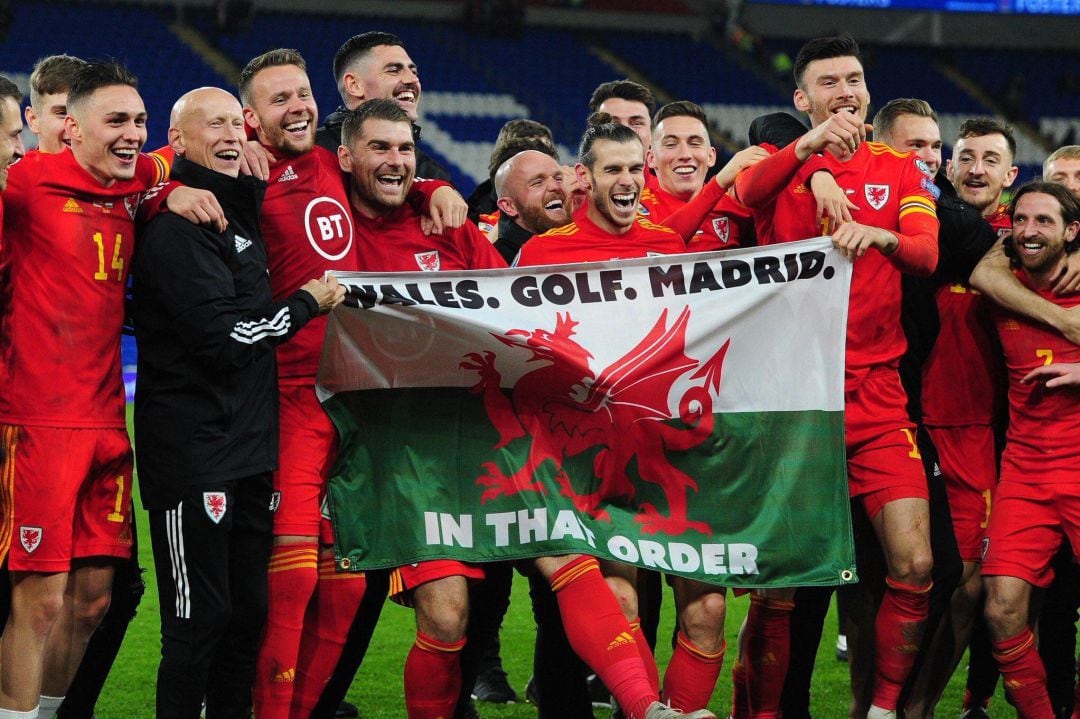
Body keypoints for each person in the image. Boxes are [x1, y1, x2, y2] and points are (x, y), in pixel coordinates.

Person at [239, 48, 463, 719]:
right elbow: (169, 164)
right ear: (251, 116)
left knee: (344, 586)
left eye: (301, 94)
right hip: (289, 396)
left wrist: (436, 187)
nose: (297, 107)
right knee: (295, 577)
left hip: (359, 401)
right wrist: (177, 179)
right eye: (278, 100)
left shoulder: (337, 161)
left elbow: (390, 165)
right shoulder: (246, 172)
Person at [0, 59, 222, 719]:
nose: (133, 133)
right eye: (117, 121)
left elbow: (166, 159)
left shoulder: (137, 180)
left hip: (106, 424)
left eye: (140, 120)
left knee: (95, 598)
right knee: (38, 600)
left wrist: (169, 190)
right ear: (70, 128)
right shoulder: (27, 184)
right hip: (36, 422)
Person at [731, 34, 938, 719]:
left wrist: (880, 237)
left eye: (854, 77)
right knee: (780, 588)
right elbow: (752, 185)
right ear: (803, 99)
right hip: (795, 401)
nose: (845, 89)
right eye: (828, 82)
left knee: (914, 566)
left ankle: (880, 711)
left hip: (878, 398)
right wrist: (812, 157)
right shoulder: (777, 165)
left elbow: (926, 254)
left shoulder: (901, 168)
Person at [132, 86, 344, 719]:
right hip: (194, 453)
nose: (228, 134)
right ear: (180, 143)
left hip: (249, 450)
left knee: (248, 614)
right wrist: (308, 302)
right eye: (211, 125)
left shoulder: (234, 211)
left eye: (234, 122)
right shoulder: (176, 228)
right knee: (200, 617)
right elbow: (229, 339)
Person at [982, 181, 1080, 719]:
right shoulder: (1001, 285)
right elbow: (978, 269)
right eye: (1020, 220)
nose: (1028, 231)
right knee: (1000, 609)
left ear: (1072, 231)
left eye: (1044, 221)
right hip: (1024, 471)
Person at [316, 31, 451, 182]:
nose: (413, 79)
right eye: (393, 70)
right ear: (354, 85)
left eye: (414, 72)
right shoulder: (310, 156)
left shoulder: (434, 177)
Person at [641, 100, 764, 250]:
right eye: (671, 144)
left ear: (711, 156)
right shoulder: (632, 209)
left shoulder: (736, 206)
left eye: (694, 143)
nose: (685, 154)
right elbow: (655, 248)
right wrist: (718, 184)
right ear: (651, 158)